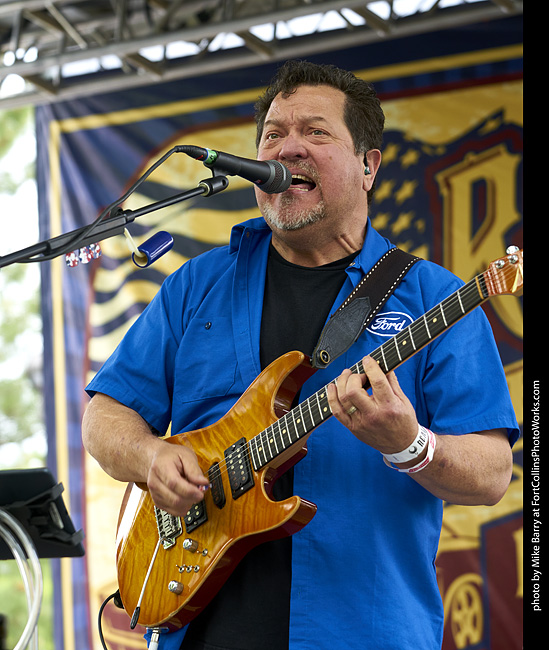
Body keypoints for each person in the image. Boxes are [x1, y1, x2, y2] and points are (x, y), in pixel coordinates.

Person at [82, 60, 519, 650]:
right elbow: (105, 415)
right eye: (272, 135)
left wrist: (410, 445)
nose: (288, 148)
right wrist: (150, 455)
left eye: (315, 132)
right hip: (200, 629)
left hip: (362, 632)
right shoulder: (197, 284)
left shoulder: (434, 298)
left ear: (368, 166)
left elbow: (491, 474)